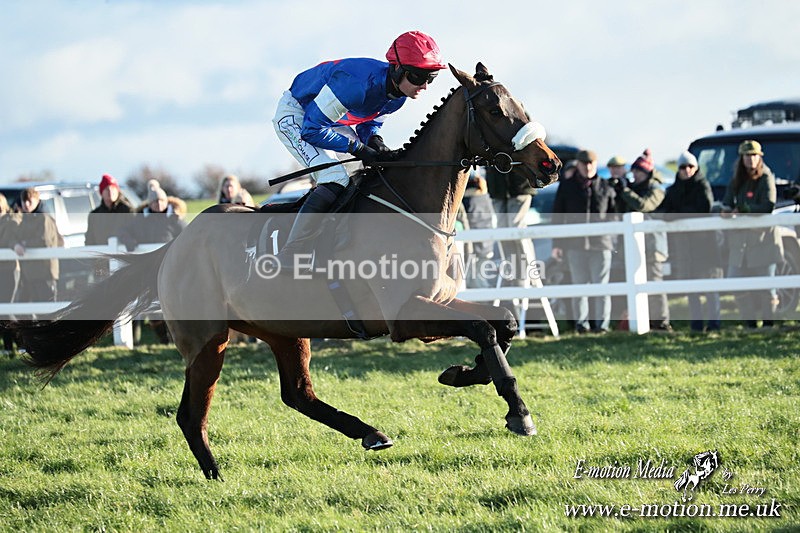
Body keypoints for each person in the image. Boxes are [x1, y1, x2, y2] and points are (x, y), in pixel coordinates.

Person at [271, 30, 446, 270]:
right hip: (297, 116)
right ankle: (291, 251)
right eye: (418, 77)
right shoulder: (356, 85)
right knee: (334, 178)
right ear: (397, 69)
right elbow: (311, 130)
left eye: (431, 77)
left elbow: (369, 122)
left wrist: (375, 142)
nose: (424, 86)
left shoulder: (399, 96)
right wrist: (357, 147)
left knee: (367, 173)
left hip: (330, 122)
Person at [551, 149, 617, 333]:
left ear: (595, 165)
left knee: (601, 287)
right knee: (579, 286)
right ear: (578, 165)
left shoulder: (606, 186)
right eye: (584, 163)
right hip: (574, 244)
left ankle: (601, 325)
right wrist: (557, 244)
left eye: (591, 163)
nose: (588, 167)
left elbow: (613, 215)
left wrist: (611, 238)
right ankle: (581, 324)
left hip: (601, 244)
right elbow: (558, 216)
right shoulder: (567, 186)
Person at [720, 139, 784, 328]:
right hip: (740, 244)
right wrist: (725, 211)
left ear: (760, 157)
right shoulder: (736, 180)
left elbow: (767, 206)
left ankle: (768, 324)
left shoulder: (766, 178)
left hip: (763, 241)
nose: (750, 159)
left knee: (766, 287)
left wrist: (744, 209)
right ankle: (749, 323)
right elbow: (727, 201)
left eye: (754, 155)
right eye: (747, 156)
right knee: (736, 282)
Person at [659, 151, 721, 333]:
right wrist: (678, 214)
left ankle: (714, 325)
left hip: (706, 245)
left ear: (696, 168)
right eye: (682, 167)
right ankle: (696, 325)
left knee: (711, 287)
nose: (686, 170)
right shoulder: (674, 189)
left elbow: (703, 208)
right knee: (691, 287)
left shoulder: (703, 186)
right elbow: (665, 211)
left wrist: (679, 214)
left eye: (690, 167)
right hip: (686, 247)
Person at [613, 148, 671, 331]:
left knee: (654, 285)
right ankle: (641, 321)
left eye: (639, 171)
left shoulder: (656, 188)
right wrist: (619, 191)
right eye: (634, 171)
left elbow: (644, 205)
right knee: (635, 284)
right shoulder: (632, 188)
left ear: (647, 172)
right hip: (633, 245)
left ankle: (661, 322)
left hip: (653, 245)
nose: (635, 175)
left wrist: (625, 191)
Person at [486, 164, 536, 318]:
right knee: (502, 230)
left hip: (520, 184)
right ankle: (510, 265)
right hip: (498, 187)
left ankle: (528, 265)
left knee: (516, 227)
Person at [12, 188, 61, 303]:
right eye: (24, 201)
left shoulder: (44, 218)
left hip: (45, 273)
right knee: (35, 311)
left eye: (29, 201)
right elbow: (17, 235)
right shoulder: (25, 219)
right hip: (31, 273)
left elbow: (45, 240)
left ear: (37, 200)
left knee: (48, 309)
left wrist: (25, 243)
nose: (26, 204)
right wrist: (16, 244)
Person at [85, 174, 135, 279]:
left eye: (113, 188)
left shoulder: (127, 211)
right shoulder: (94, 215)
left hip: (123, 263)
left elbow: (135, 234)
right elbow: (90, 240)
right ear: (101, 192)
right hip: (102, 265)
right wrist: (94, 262)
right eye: (107, 189)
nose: (110, 191)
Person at [119, 180, 187, 252]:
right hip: (146, 258)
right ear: (150, 204)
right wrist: (128, 239)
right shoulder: (141, 219)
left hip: (167, 258)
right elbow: (123, 230)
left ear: (166, 202)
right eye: (155, 201)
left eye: (162, 200)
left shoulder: (174, 218)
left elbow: (187, 235)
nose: (159, 203)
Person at [0, 194, 20, 355]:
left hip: (10, 269)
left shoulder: (11, 220)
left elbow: (11, 241)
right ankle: (7, 347)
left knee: (9, 308)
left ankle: (20, 343)